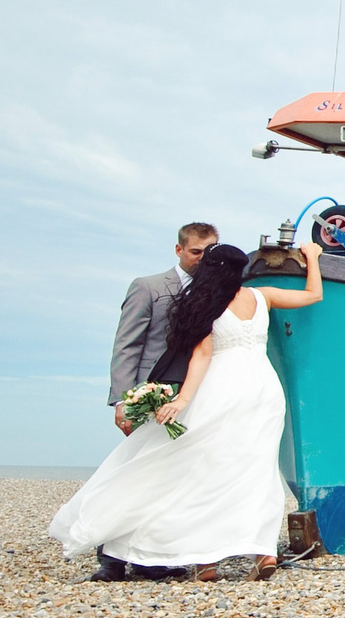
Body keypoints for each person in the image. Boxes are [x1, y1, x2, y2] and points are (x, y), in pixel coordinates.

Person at [53, 242, 325, 582]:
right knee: (256, 467)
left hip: (222, 388)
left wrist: (182, 401)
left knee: (204, 469)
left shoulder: (204, 305)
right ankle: (264, 552)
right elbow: (313, 295)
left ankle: (206, 561)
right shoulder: (261, 296)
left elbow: (202, 357)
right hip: (262, 389)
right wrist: (312, 257)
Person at [110, 224, 218, 435]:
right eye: (196, 252)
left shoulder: (222, 292)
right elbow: (127, 344)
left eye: (209, 252)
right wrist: (122, 401)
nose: (202, 258)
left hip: (203, 391)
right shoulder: (147, 287)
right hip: (153, 389)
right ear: (179, 250)